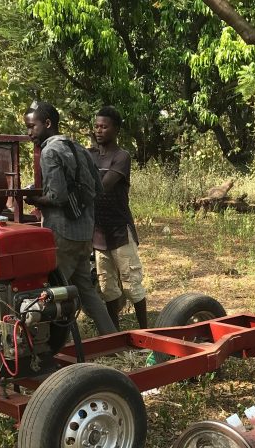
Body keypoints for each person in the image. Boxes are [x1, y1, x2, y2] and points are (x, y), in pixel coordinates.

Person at [23, 102, 117, 335]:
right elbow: (97, 188)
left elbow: (57, 196)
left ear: (47, 124)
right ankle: (112, 337)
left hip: (62, 234)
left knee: (56, 290)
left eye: (32, 127)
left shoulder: (49, 151)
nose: (29, 133)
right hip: (84, 232)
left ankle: (61, 344)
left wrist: (33, 199)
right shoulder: (79, 147)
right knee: (85, 289)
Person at [89, 106, 148, 330]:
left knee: (132, 284)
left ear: (116, 130)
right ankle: (115, 333)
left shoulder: (121, 156)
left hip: (120, 230)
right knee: (107, 287)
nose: (99, 131)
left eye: (104, 126)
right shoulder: (90, 155)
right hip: (99, 232)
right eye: (96, 126)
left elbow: (102, 187)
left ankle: (145, 330)